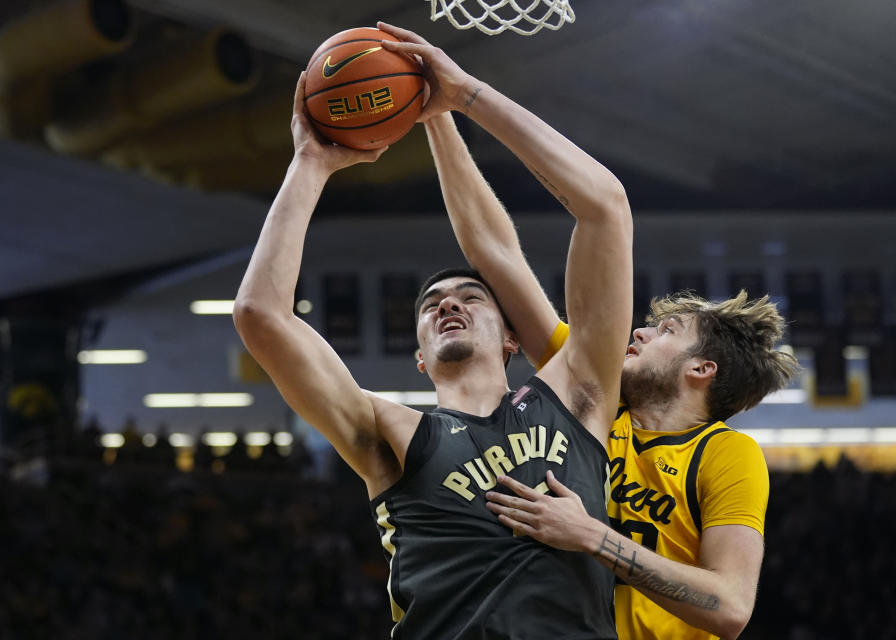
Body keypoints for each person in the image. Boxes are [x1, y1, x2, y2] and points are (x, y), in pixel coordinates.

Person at [233, 22, 633, 640]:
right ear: (421, 357)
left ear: (511, 339)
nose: (449, 304)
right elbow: (261, 316)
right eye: (432, 305)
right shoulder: (389, 433)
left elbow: (605, 206)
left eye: (471, 296)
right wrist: (310, 163)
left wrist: (463, 97)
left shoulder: (577, 395)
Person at [427, 98, 799, 639]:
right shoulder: (592, 396)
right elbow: (494, 254)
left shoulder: (727, 454)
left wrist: (591, 536)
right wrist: (437, 116)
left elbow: (731, 606)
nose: (640, 332)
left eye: (667, 332)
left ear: (702, 369)